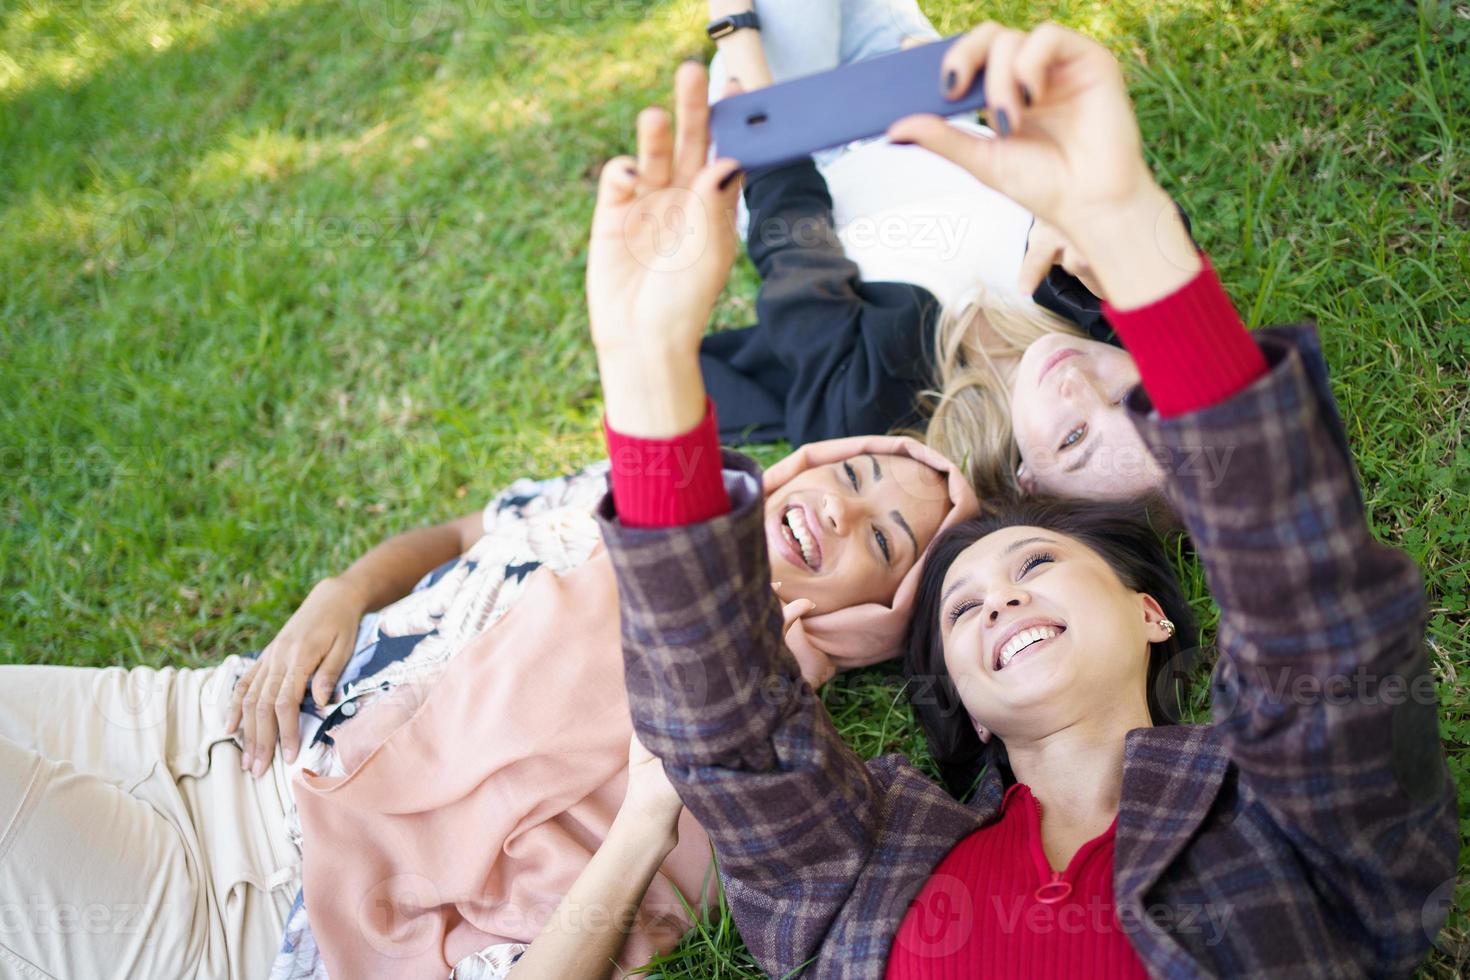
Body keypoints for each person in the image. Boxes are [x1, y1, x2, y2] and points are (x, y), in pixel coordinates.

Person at [583, 22, 1457, 979]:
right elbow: (734, 737)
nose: (998, 599)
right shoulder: (864, 869)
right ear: (966, 699)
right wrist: (645, 352)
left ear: (1151, 610)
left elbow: (1309, 618)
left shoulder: (1296, 812)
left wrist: (648, 375)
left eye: (1038, 562)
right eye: (961, 608)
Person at [0, 382, 974, 978]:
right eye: (852, 477)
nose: (840, 515)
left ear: (881, 619)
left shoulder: (747, 762)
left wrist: (643, 821)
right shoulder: (641, 502)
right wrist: (348, 586)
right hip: (211, 715)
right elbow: (469, 533)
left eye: (885, 540)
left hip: (247, 903)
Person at [696, 0, 1119, 463]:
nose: (1083, 386)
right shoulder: (1094, 298)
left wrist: (738, 36)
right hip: (921, 98)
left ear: (1030, 482)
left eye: (1074, 436)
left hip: (792, 145)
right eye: (1131, 399)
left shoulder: (872, 407)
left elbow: (793, 237)